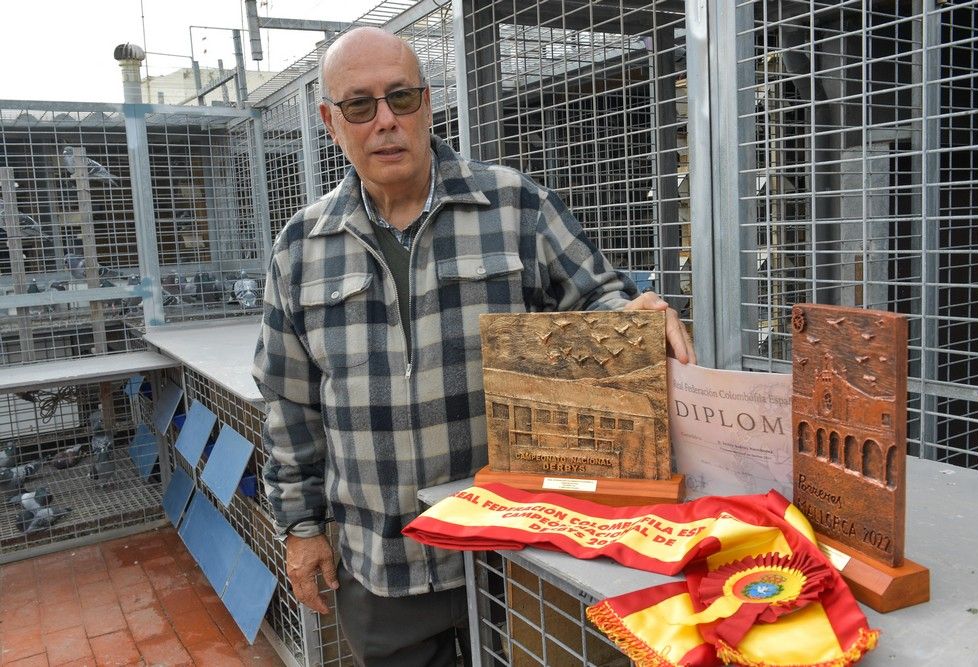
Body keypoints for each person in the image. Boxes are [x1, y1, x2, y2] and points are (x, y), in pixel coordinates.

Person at [252, 26, 696, 667]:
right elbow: (288, 405)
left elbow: (595, 297)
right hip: (383, 560)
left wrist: (630, 317)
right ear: (330, 120)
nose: (385, 121)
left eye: (401, 98)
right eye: (360, 105)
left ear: (428, 103)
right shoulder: (301, 247)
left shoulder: (513, 205)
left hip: (516, 553)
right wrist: (299, 529)